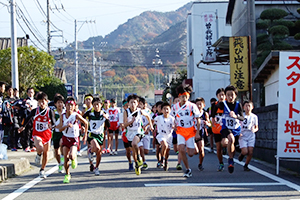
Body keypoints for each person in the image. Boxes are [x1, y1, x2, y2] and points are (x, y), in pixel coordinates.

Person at [18, 92, 56, 178]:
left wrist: (51, 126)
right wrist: (23, 126)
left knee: (46, 153)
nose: (41, 103)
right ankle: (39, 154)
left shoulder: (50, 111)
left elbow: (53, 122)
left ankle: (42, 169)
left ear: (46, 101)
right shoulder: (35, 111)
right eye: (39, 102)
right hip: (37, 133)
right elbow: (27, 118)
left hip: (47, 134)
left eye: (43, 101)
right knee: (40, 147)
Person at [212, 85, 244, 174]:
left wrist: (235, 116)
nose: (230, 97)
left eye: (232, 95)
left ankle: (231, 158)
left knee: (231, 143)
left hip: (236, 128)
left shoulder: (238, 105)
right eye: (228, 95)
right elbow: (215, 108)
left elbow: (242, 118)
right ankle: (230, 160)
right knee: (230, 139)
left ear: (235, 95)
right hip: (226, 127)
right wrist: (214, 118)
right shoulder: (223, 104)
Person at [171, 85, 202, 178]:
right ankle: (188, 169)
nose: (184, 98)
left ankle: (193, 147)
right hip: (180, 130)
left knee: (191, 154)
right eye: (182, 96)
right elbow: (172, 118)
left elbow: (198, 119)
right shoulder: (175, 107)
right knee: (180, 148)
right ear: (179, 97)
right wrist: (174, 125)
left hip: (190, 130)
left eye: (186, 96)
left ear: (188, 97)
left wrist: (197, 133)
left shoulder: (192, 106)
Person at [57, 97, 88, 183]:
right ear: (65, 106)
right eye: (68, 105)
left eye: (71, 105)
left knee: (71, 155)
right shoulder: (62, 116)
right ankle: (67, 175)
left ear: (74, 106)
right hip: (65, 137)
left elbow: (86, 123)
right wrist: (66, 126)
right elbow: (60, 129)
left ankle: (74, 159)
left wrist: (85, 135)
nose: (69, 107)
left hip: (74, 139)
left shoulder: (76, 115)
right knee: (66, 158)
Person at [123, 94, 153, 175]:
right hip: (129, 133)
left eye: (134, 102)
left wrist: (151, 125)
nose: (133, 104)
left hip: (138, 131)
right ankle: (137, 164)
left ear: (137, 103)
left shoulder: (140, 111)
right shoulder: (126, 112)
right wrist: (130, 122)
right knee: (133, 152)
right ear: (128, 103)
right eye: (131, 102)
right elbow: (124, 125)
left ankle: (139, 159)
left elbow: (148, 116)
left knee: (134, 143)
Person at [83, 97, 110, 176]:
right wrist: (83, 126)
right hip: (92, 134)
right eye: (94, 105)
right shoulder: (89, 113)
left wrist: (106, 119)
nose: (96, 107)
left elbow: (109, 125)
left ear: (101, 105)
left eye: (97, 105)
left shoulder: (104, 113)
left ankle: (97, 167)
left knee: (99, 153)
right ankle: (91, 151)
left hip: (100, 135)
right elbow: (82, 119)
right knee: (97, 148)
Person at [238, 100, 259, 171]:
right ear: (243, 107)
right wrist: (238, 132)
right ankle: (242, 155)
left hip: (251, 134)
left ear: (252, 107)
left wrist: (254, 130)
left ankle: (246, 165)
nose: (247, 107)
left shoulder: (254, 117)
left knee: (250, 151)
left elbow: (256, 127)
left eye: (249, 106)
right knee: (245, 151)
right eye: (246, 106)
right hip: (243, 134)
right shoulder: (241, 116)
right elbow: (237, 125)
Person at [155, 102, 175, 171]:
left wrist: (174, 127)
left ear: (170, 110)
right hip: (161, 135)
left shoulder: (172, 119)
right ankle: (162, 159)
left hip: (169, 136)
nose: (166, 111)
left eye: (167, 109)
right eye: (164, 109)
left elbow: (175, 126)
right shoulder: (159, 117)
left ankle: (166, 160)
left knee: (167, 150)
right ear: (161, 110)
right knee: (165, 145)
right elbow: (151, 121)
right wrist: (149, 127)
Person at [211, 88, 226, 171]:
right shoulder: (215, 105)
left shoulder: (228, 105)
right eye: (220, 95)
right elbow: (212, 117)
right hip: (216, 129)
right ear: (217, 96)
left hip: (225, 128)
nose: (221, 96)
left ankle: (225, 148)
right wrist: (213, 123)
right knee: (218, 148)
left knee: (225, 143)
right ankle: (221, 163)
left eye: (223, 95)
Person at [194, 98, 211, 171]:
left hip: (201, 132)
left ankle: (200, 164)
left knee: (201, 150)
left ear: (203, 105)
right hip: (192, 132)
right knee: (195, 151)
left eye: (200, 104)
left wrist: (207, 123)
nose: (198, 106)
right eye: (197, 104)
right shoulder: (192, 113)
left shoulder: (205, 113)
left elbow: (210, 124)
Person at [22, 87, 38, 152]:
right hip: (28, 118)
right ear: (27, 93)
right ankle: (26, 146)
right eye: (29, 92)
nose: (30, 94)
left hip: (35, 118)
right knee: (27, 132)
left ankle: (33, 145)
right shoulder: (26, 101)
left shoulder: (35, 101)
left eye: (32, 92)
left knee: (33, 132)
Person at [82, 94, 95, 172]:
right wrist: (83, 127)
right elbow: (81, 120)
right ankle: (91, 163)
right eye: (87, 100)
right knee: (89, 146)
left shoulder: (95, 109)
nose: (88, 101)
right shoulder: (84, 111)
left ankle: (93, 156)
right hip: (89, 130)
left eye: (89, 99)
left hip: (96, 131)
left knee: (95, 147)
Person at [137, 97, 151, 170]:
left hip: (146, 133)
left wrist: (147, 127)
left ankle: (141, 158)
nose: (139, 106)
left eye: (141, 104)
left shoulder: (148, 112)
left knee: (146, 151)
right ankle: (143, 161)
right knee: (140, 147)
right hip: (138, 133)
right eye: (138, 104)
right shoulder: (135, 112)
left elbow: (151, 120)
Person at [52, 94, 65, 173]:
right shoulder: (53, 113)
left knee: (62, 143)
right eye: (58, 102)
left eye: (61, 102)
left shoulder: (65, 112)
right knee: (56, 151)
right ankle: (60, 163)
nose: (60, 104)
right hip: (56, 133)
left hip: (63, 133)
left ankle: (63, 157)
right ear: (55, 104)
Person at [121, 99, 134, 170]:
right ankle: (130, 162)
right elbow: (122, 125)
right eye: (125, 106)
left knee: (134, 148)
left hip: (133, 133)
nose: (127, 107)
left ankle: (137, 161)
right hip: (125, 134)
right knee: (128, 151)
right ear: (123, 107)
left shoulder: (135, 112)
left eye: (128, 105)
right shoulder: (122, 114)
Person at [171, 97, 182, 170]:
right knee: (175, 149)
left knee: (180, 147)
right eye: (176, 101)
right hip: (174, 131)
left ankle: (179, 163)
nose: (178, 102)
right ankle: (179, 154)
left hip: (181, 130)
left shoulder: (184, 109)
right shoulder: (173, 110)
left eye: (179, 101)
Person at [152, 101, 164, 168]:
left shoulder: (165, 115)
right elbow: (152, 123)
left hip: (164, 134)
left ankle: (163, 159)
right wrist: (153, 130)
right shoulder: (155, 115)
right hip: (157, 134)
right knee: (158, 149)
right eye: (159, 107)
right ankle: (159, 160)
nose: (160, 108)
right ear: (156, 108)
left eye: (161, 107)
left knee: (163, 147)